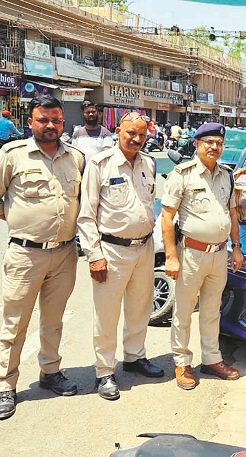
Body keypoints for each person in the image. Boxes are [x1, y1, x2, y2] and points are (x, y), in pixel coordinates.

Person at [0, 95, 85, 420]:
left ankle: (50, 372)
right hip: (25, 254)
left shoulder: (75, 158)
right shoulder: (12, 155)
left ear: (63, 122)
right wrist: (21, 221)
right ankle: (5, 384)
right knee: (14, 323)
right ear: (30, 122)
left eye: (56, 120)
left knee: (53, 320)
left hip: (64, 254)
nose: (50, 125)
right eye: (43, 119)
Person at [78, 111, 164, 401]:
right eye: (130, 133)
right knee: (107, 315)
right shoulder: (100, 164)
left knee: (140, 308)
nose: (136, 139)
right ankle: (104, 371)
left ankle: (134, 357)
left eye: (141, 134)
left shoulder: (148, 163)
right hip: (111, 251)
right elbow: (86, 215)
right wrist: (94, 255)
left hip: (144, 248)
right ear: (117, 132)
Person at [161, 122, 244, 390]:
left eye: (218, 143)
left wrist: (237, 247)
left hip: (219, 254)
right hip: (191, 254)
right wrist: (171, 257)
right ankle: (182, 362)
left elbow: (232, 213)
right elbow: (167, 216)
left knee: (211, 311)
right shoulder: (182, 175)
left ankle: (211, 359)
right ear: (197, 144)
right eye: (209, 142)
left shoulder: (227, 175)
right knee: (184, 311)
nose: (214, 147)